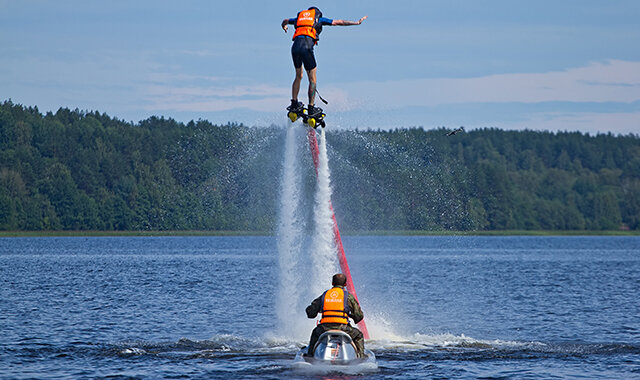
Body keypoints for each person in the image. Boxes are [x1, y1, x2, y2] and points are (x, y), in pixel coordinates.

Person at [281, 7, 367, 118]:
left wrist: (284, 26)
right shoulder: (319, 19)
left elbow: (285, 20)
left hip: (295, 48)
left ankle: (294, 103)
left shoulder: (299, 19)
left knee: (298, 76)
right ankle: (311, 108)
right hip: (306, 48)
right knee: (312, 79)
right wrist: (356, 22)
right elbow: (339, 22)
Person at [305, 273, 365, 358]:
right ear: (345, 284)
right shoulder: (348, 296)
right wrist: (351, 316)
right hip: (343, 328)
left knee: (315, 333)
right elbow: (359, 316)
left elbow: (310, 313)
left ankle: (310, 355)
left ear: (332, 283)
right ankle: (361, 356)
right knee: (359, 335)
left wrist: (320, 310)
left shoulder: (324, 295)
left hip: (324, 329)